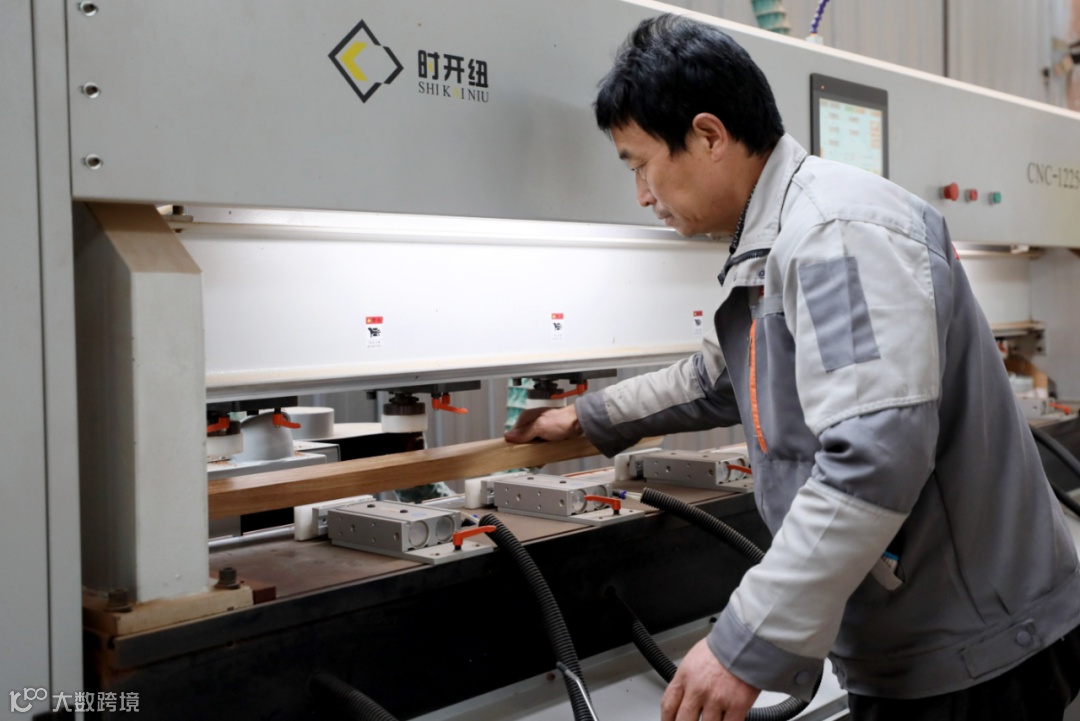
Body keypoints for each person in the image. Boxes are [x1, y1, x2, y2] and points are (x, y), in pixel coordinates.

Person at [505, 14, 1080, 721]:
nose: (642, 194)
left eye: (639, 164)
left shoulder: (837, 234)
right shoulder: (785, 241)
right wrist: (586, 416)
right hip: (925, 640)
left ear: (708, 136)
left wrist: (742, 644)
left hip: (975, 652)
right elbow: (722, 377)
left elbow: (874, 458)